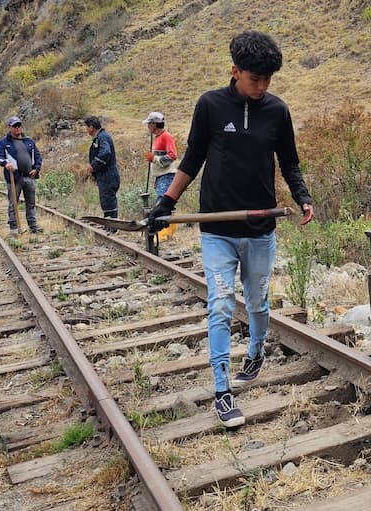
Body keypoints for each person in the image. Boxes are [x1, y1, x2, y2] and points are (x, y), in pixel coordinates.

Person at [147, 30, 314, 428]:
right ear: (235, 71)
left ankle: (255, 352)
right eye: (256, 79)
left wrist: (302, 195)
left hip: (260, 227)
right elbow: (192, 159)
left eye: (268, 80)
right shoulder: (210, 105)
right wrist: (166, 202)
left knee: (257, 304)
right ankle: (222, 390)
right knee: (221, 304)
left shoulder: (277, 111)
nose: (263, 87)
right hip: (216, 226)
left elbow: (289, 161)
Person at [0, 115, 43, 235]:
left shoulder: (29, 141)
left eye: (19, 125)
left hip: (29, 176)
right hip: (14, 178)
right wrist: (6, 163)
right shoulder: (4, 142)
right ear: (10, 127)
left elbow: (38, 156)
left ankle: (33, 226)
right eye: (14, 126)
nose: (17, 128)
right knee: (13, 204)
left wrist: (36, 169)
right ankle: (14, 229)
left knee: (31, 203)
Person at [142, 111, 179, 240]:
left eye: (149, 124)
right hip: (161, 176)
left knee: (163, 204)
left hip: (167, 176)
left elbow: (173, 156)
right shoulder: (158, 138)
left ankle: (165, 234)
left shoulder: (166, 136)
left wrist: (155, 159)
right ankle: (167, 233)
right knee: (163, 203)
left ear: (154, 124)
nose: (148, 126)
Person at [83, 116, 121, 232]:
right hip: (105, 176)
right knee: (106, 200)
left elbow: (105, 153)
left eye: (86, 127)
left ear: (91, 127)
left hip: (108, 176)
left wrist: (93, 165)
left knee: (108, 200)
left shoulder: (102, 137)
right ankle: (109, 224)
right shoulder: (100, 137)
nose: (86, 130)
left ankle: (112, 225)